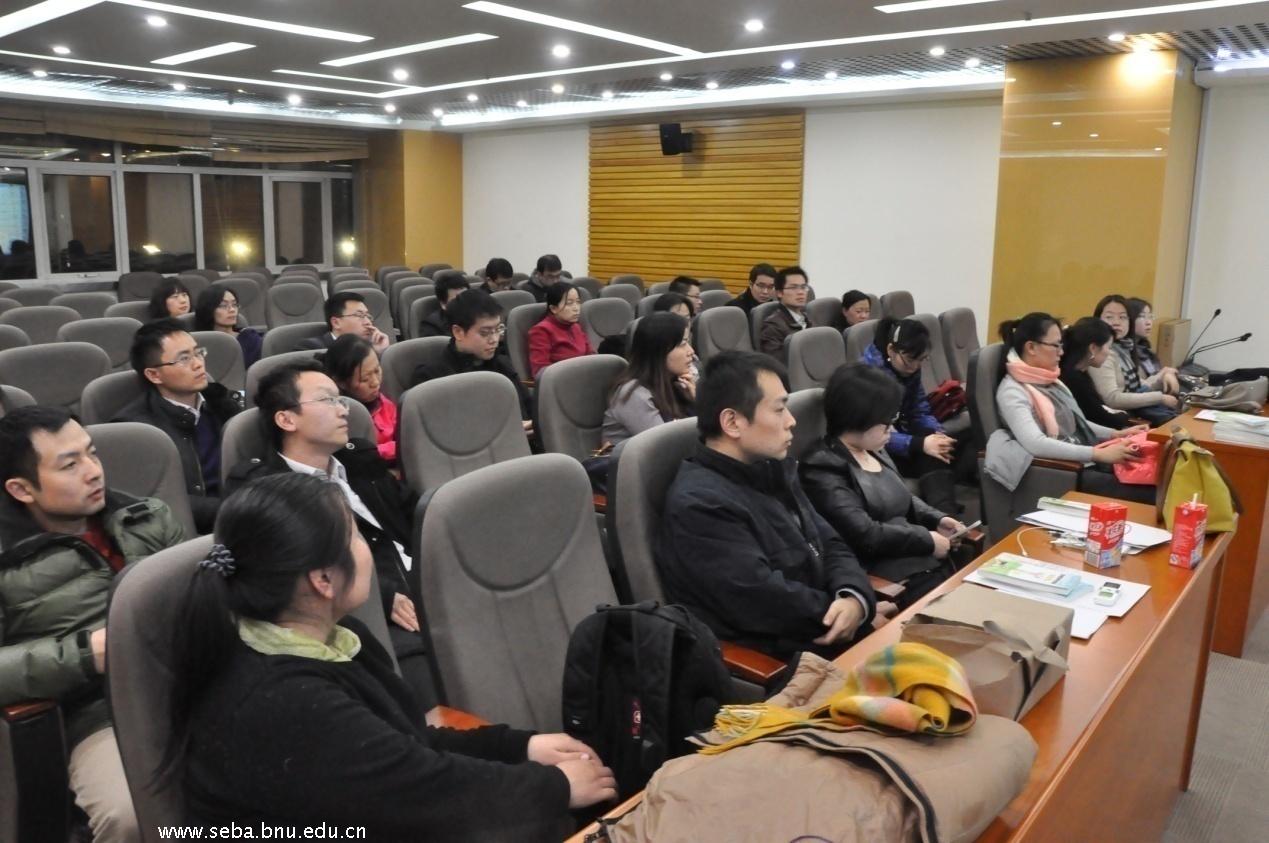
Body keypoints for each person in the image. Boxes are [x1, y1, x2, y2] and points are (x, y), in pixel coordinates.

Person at [166, 473, 617, 839]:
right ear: (323, 579)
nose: (368, 548)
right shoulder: (283, 700)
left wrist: (519, 747)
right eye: (356, 536)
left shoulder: (338, 638)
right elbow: (426, 792)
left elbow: (404, 744)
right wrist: (555, 787)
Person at [0, 406, 186, 843]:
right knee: (131, 818)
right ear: (22, 489)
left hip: (190, 680)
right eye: (70, 465)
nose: (93, 471)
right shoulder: (8, 565)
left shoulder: (146, 516)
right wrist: (87, 654)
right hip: (97, 713)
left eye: (92, 453)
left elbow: (202, 592)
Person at [227, 362, 433, 707]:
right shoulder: (264, 491)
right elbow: (290, 581)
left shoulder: (359, 460)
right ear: (286, 419)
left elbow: (416, 517)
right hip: (369, 615)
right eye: (328, 400)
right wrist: (381, 595)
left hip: (429, 586)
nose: (343, 410)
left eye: (341, 399)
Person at [657, 351, 879, 659]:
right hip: (786, 660)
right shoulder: (700, 504)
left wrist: (854, 597)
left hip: (825, 632)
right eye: (779, 409)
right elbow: (763, 600)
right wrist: (846, 614)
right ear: (732, 422)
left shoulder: (771, 470)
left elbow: (829, 542)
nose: (791, 421)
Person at [800, 365, 962, 607]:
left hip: (922, 560)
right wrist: (926, 540)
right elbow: (865, 535)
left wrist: (937, 519)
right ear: (859, 418)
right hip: (891, 579)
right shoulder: (821, 466)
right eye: (886, 422)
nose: (891, 429)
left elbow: (901, 495)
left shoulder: (873, 448)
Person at [994, 312, 1153, 502]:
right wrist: (1098, 454)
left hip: (1081, 459)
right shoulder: (1013, 391)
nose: (1061, 352)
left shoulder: (1050, 380)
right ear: (1031, 347)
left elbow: (1076, 421)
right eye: (1055, 345)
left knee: (1150, 476)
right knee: (1148, 493)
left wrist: (1115, 434)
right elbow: (1035, 443)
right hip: (1061, 472)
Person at [114, 319, 241, 532]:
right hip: (194, 531)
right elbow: (163, 501)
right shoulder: (137, 431)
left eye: (198, 352)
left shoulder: (221, 402)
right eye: (184, 359)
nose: (198, 364)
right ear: (154, 375)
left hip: (243, 513)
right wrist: (240, 509)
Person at [861, 317, 969, 514]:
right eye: (910, 360)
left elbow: (919, 410)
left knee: (953, 440)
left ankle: (945, 515)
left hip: (899, 436)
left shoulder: (907, 369)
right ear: (891, 350)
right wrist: (920, 444)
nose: (915, 367)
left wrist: (935, 433)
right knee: (930, 454)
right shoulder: (869, 377)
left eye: (921, 360)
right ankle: (947, 517)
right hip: (875, 449)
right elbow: (872, 434)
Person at [410, 290, 532, 427]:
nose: (494, 339)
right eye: (485, 333)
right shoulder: (431, 378)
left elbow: (528, 409)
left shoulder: (503, 365)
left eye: (498, 329)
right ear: (458, 332)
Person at [601, 312, 695, 448]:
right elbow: (666, 447)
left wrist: (696, 400)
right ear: (658, 350)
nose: (691, 351)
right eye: (683, 344)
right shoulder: (634, 394)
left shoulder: (677, 383)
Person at [1089, 294, 1178, 425]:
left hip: (1135, 415)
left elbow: (1140, 386)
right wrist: (1160, 398)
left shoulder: (1123, 348)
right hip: (1122, 422)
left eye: (1122, 317)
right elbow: (1112, 399)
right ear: (1097, 321)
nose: (1116, 322)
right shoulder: (1101, 353)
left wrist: (1164, 376)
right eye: (1109, 317)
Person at [322, 335, 398, 464]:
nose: (375, 382)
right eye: (365, 379)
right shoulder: (336, 416)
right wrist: (395, 448)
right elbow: (356, 454)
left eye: (377, 371)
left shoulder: (384, 403)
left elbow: (407, 439)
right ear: (341, 382)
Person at [1060, 317, 1133, 430]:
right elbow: (1101, 418)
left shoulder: (1078, 372)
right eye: (1108, 347)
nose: (1110, 353)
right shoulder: (1074, 380)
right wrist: (1124, 416)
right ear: (1093, 348)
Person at [527, 281, 593, 379]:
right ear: (553, 308)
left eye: (578, 302)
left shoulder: (576, 326)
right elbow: (540, 371)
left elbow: (591, 355)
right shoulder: (541, 330)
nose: (576, 308)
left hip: (584, 378)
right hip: (560, 383)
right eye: (569, 303)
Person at [193, 284, 263, 369]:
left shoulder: (249, 338)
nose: (232, 310)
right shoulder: (196, 343)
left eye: (234, 304)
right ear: (208, 309)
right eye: (223, 305)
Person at [299, 291, 390, 354]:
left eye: (368, 316)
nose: (368, 322)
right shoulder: (310, 348)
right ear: (336, 323)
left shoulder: (369, 347)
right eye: (359, 315)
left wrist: (378, 352)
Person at [1127, 297, 1182, 394]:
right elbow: (1137, 389)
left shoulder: (1145, 350)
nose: (1148, 322)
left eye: (1150, 317)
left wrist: (1166, 374)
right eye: (1142, 316)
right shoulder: (1124, 352)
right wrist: (1163, 373)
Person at [759, 266, 811, 364]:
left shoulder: (808, 319)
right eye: (793, 287)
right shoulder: (772, 326)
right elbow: (775, 364)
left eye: (803, 287)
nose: (801, 292)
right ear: (779, 293)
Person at [419, 273, 471, 338]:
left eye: (466, 297)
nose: (464, 303)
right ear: (443, 304)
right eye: (457, 300)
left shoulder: (477, 316)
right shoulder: (431, 326)